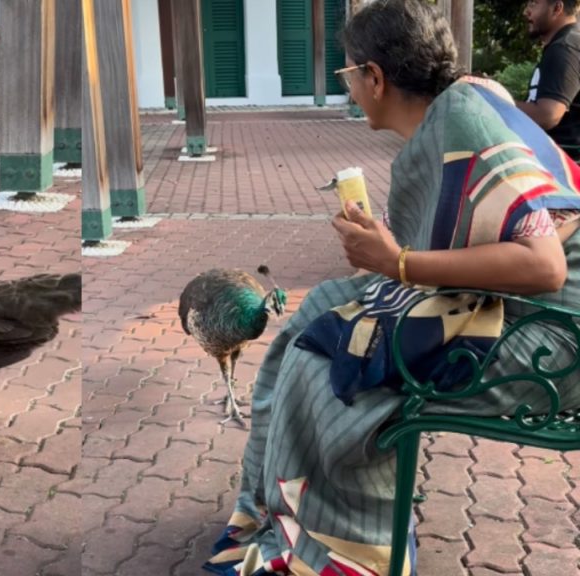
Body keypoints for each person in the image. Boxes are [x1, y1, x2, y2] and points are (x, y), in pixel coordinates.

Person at [204, 1, 580, 574]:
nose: (349, 87)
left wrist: (399, 262)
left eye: (347, 75)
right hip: (516, 310)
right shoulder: (457, 110)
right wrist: (390, 259)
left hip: (549, 335)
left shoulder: (463, 120)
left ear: (374, 77)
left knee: (324, 362)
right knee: (321, 310)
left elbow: (544, 266)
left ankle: (344, 547)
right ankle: (272, 501)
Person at [518, 0, 580, 158]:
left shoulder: (565, 48)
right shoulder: (565, 43)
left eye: (534, 3)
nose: (526, 11)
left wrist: (491, 97)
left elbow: (547, 115)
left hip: (566, 174)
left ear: (557, 8)